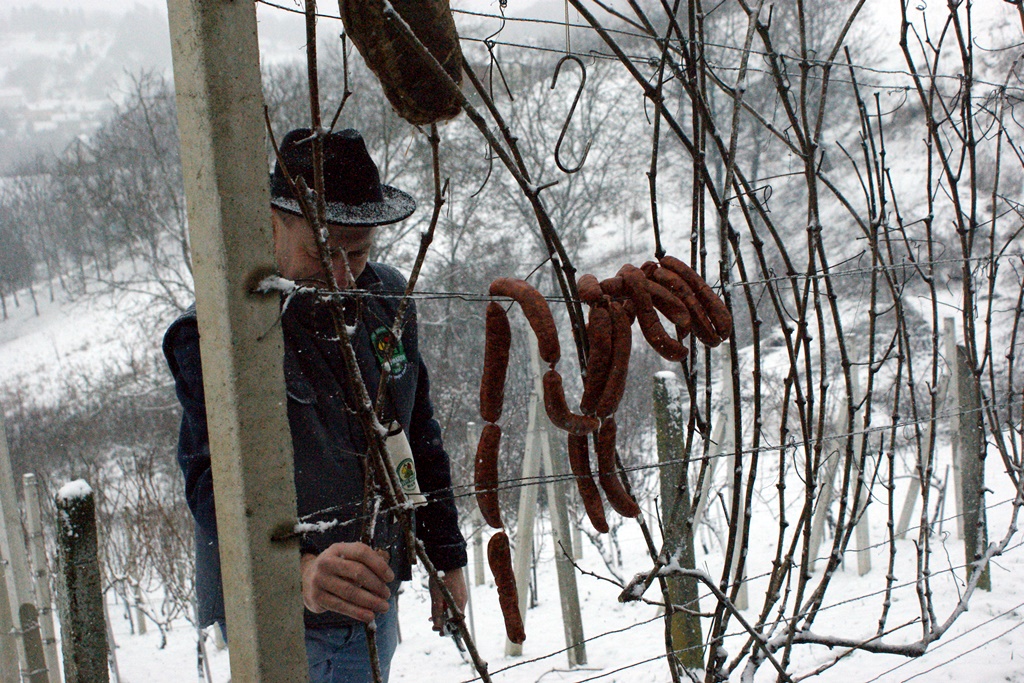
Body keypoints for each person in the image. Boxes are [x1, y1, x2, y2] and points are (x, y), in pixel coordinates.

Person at [163, 128, 468, 682]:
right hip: (283, 621)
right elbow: (211, 483)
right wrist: (296, 571)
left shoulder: (388, 301)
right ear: (273, 223)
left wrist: (446, 554)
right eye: (323, 251)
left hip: (376, 599)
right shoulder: (216, 332)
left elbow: (418, 433)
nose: (344, 276)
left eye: (360, 252)